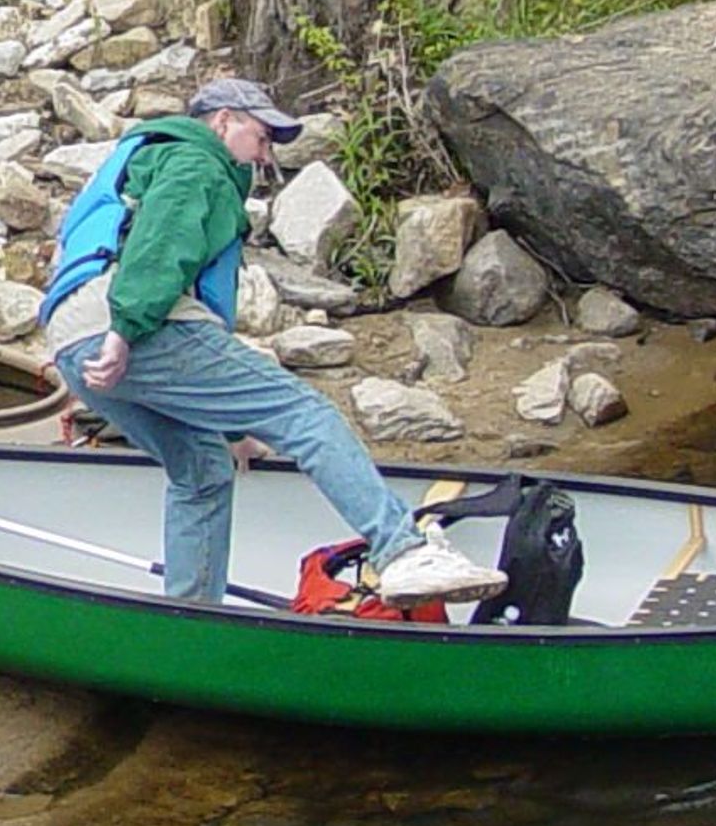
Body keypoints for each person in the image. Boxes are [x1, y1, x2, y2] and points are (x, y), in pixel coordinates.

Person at [45, 76, 504, 612]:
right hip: (127, 324)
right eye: (262, 138)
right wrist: (123, 334)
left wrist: (234, 426)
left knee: (202, 471)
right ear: (223, 122)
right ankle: (402, 550)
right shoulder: (197, 161)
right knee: (304, 413)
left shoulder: (146, 160)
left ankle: (189, 620)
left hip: (72, 340)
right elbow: (161, 245)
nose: (265, 157)